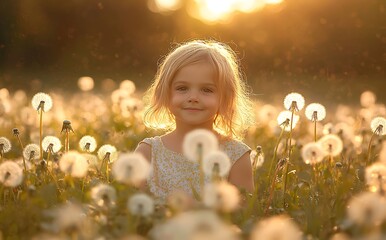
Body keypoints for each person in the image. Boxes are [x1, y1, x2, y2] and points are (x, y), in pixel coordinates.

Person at [135, 40, 255, 199]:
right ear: (165, 93)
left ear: (226, 98)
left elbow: (243, 216)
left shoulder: (236, 156)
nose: (193, 97)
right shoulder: (148, 152)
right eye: (182, 88)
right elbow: (131, 210)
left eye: (207, 90)